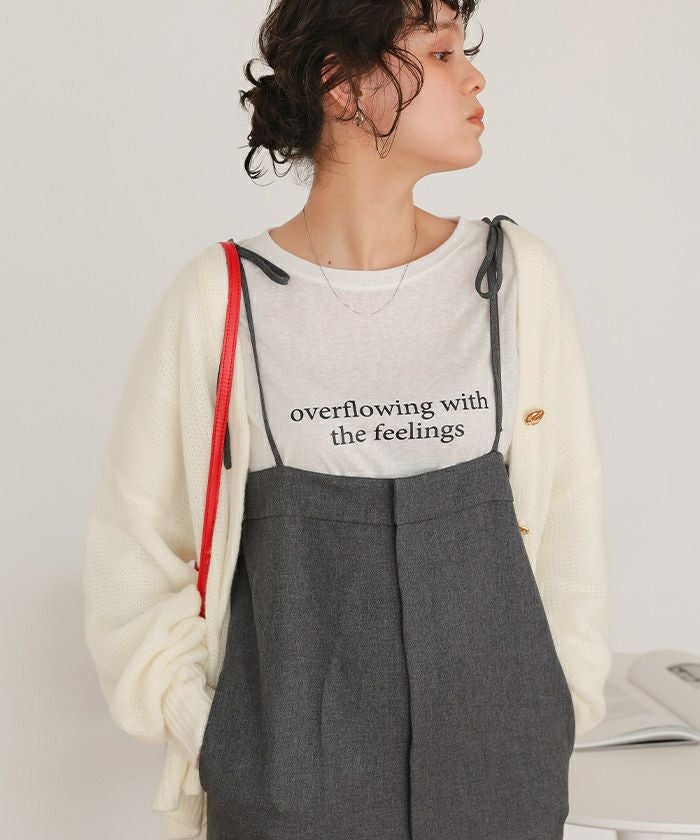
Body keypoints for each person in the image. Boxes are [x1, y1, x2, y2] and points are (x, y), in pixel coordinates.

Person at [83, 1, 612, 838]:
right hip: (293, 784)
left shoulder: (516, 277)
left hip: (501, 767)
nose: (475, 77)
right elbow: (132, 548)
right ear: (343, 85)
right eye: (440, 54)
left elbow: (571, 520)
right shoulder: (225, 297)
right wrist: (216, 732)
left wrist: (557, 706)